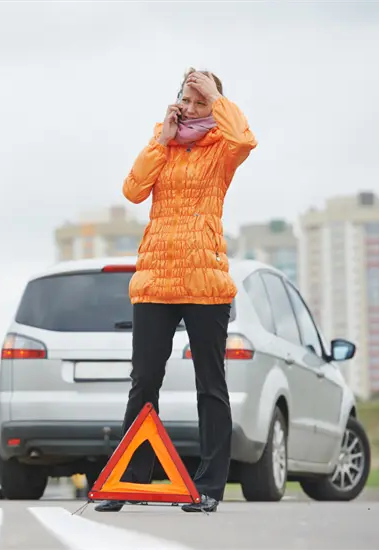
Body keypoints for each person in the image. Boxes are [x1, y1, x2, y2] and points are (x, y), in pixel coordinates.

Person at [94, 68, 257, 513]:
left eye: (201, 102)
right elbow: (132, 191)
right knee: (144, 381)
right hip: (154, 280)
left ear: (216, 107)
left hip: (205, 281)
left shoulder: (223, 147)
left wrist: (217, 99)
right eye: (187, 98)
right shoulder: (162, 142)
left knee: (211, 384)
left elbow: (246, 140)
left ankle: (209, 486)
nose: (191, 108)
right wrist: (160, 141)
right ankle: (131, 482)